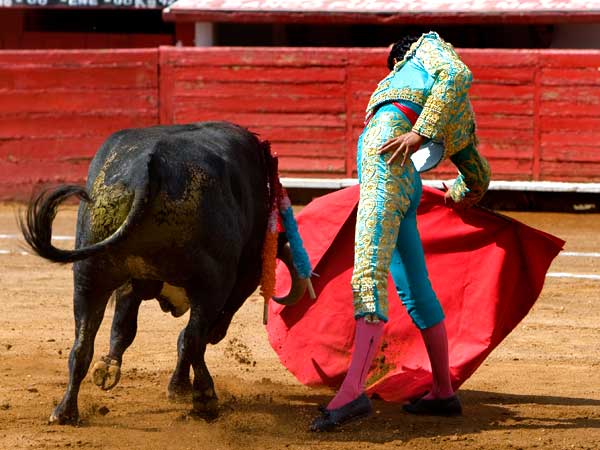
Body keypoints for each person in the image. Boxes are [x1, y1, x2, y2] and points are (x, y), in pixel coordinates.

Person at [310, 31, 491, 432]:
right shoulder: (459, 115)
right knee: (415, 289)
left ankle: (352, 392)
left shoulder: (426, 48)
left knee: (368, 270)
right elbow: (478, 175)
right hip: (405, 179)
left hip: (385, 168)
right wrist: (458, 194)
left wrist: (418, 133)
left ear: (398, 57)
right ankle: (442, 390)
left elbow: (457, 73)